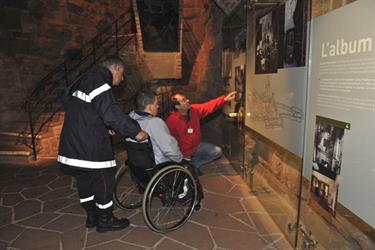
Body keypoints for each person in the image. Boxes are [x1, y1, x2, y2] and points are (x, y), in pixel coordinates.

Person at [57, 55, 148, 233]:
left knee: (84, 178)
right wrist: (135, 131)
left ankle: (91, 216)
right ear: (116, 69)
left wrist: (101, 126)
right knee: (105, 178)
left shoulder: (83, 79)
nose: (121, 80)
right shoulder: (99, 82)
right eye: (122, 75)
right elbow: (111, 113)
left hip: (72, 142)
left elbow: (76, 106)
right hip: (89, 146)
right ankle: (105, 220)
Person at [166, 91, 236, 172]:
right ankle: (186, 165)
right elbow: (169, 142)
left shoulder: (193, 110)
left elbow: (208, 106)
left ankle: (194, 164)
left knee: (217, 151)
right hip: (183, 152)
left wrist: (224, 99)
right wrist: (181, 156)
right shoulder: (171, 121)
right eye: (184, 100)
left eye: (186, 99)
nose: (188, 101)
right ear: (177, 106)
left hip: (196, 147)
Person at [128, 90, 183, 165]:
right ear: (150, 107)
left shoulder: (129, 120)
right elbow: (170, 150)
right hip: (158, 166)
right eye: (156, 104)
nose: (158, 106)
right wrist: (180, 159)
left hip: (138, 166)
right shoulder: (155, 123)